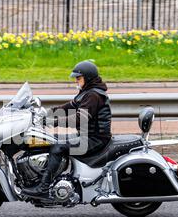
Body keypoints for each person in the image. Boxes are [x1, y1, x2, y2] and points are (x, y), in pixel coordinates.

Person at [22, 60, 112, 197]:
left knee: (58, 146)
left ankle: (43, 188)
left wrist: (54, 121)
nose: (76, 81)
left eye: (78, 78)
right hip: (87, 136)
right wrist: (47, 112)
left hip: (95, 139)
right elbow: (68, 106)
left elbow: (79, 119)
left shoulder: (93, 95)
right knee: (51, 140)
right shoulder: (87, 92)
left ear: (87, 78)